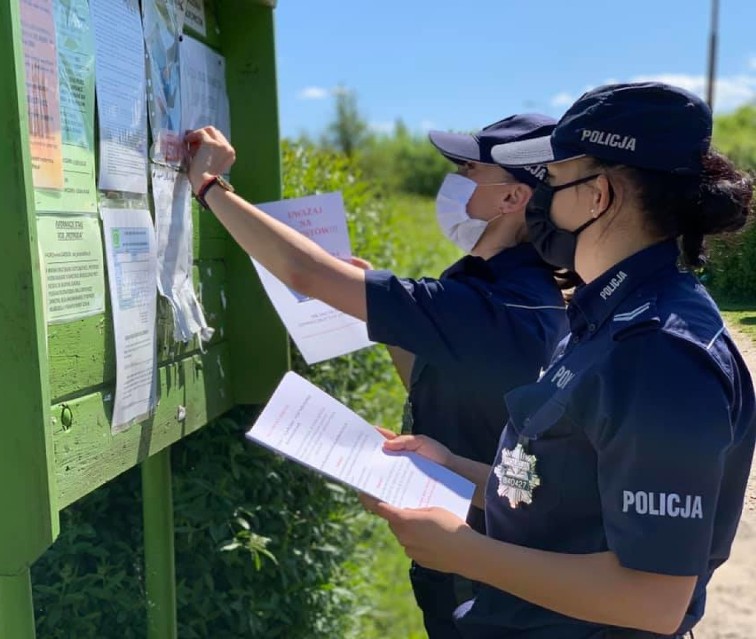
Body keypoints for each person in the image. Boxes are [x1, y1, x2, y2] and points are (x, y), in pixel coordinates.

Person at [361, 82, 756, 639]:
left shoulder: (659, 351)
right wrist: (450, 465)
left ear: (599, 195)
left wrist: (465, 553)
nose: (538, 200)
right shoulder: (609, 313)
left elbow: (653, 598)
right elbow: (562, 491)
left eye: (551, 179)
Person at [184, 115, 568, 637]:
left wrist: (210, 186)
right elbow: (450, 391)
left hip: (484, 576)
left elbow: (305, 273)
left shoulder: (488, 302)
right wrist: (387, 323)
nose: (453, 181)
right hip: (484, 560)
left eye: (468, 169)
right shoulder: (520, 292)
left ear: (511, 199)